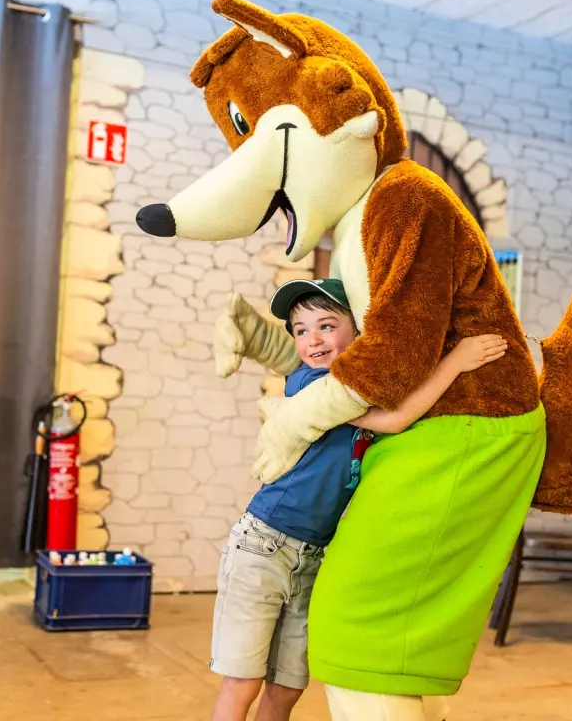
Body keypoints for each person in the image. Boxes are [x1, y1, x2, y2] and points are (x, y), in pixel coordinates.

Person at [209, 279, 507, 721]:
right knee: (243, 682)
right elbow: (397, 418)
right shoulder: (319, 384)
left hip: (312, 553)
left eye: (327, 326)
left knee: (287, 686)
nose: (313, 340)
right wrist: (455, 362)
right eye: (301, 330)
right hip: (263, 544)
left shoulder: (352, 382)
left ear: (359, 329)